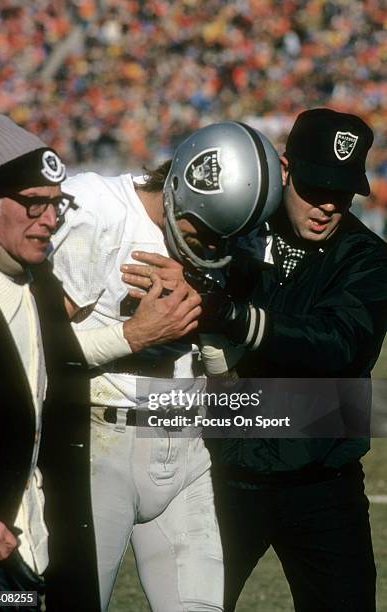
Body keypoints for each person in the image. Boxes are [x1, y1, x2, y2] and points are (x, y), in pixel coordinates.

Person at [124, 108, 387, 612]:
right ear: (285, 171)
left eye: (341, 193)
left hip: (324, 486)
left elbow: (338, 347)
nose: (326, 206)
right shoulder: (237, 229)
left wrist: (232, 316)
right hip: (226, 478)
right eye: (313, 187)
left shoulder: (367, 258)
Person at [49, 121, 282, 612]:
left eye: (226, 239)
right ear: (177, 187)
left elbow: (224, 373)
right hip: (95, 446)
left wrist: (209, 315)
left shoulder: (232, 233)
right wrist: (134, 336)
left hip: (187, 448)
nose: (212, 250)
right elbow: (30, 347)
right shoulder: (99, 212)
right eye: (203, 234)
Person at [0, 113, 100, 611]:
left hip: (33, 547)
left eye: (56, 205)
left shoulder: (40, 283)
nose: (49, 220)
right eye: (33, 205)